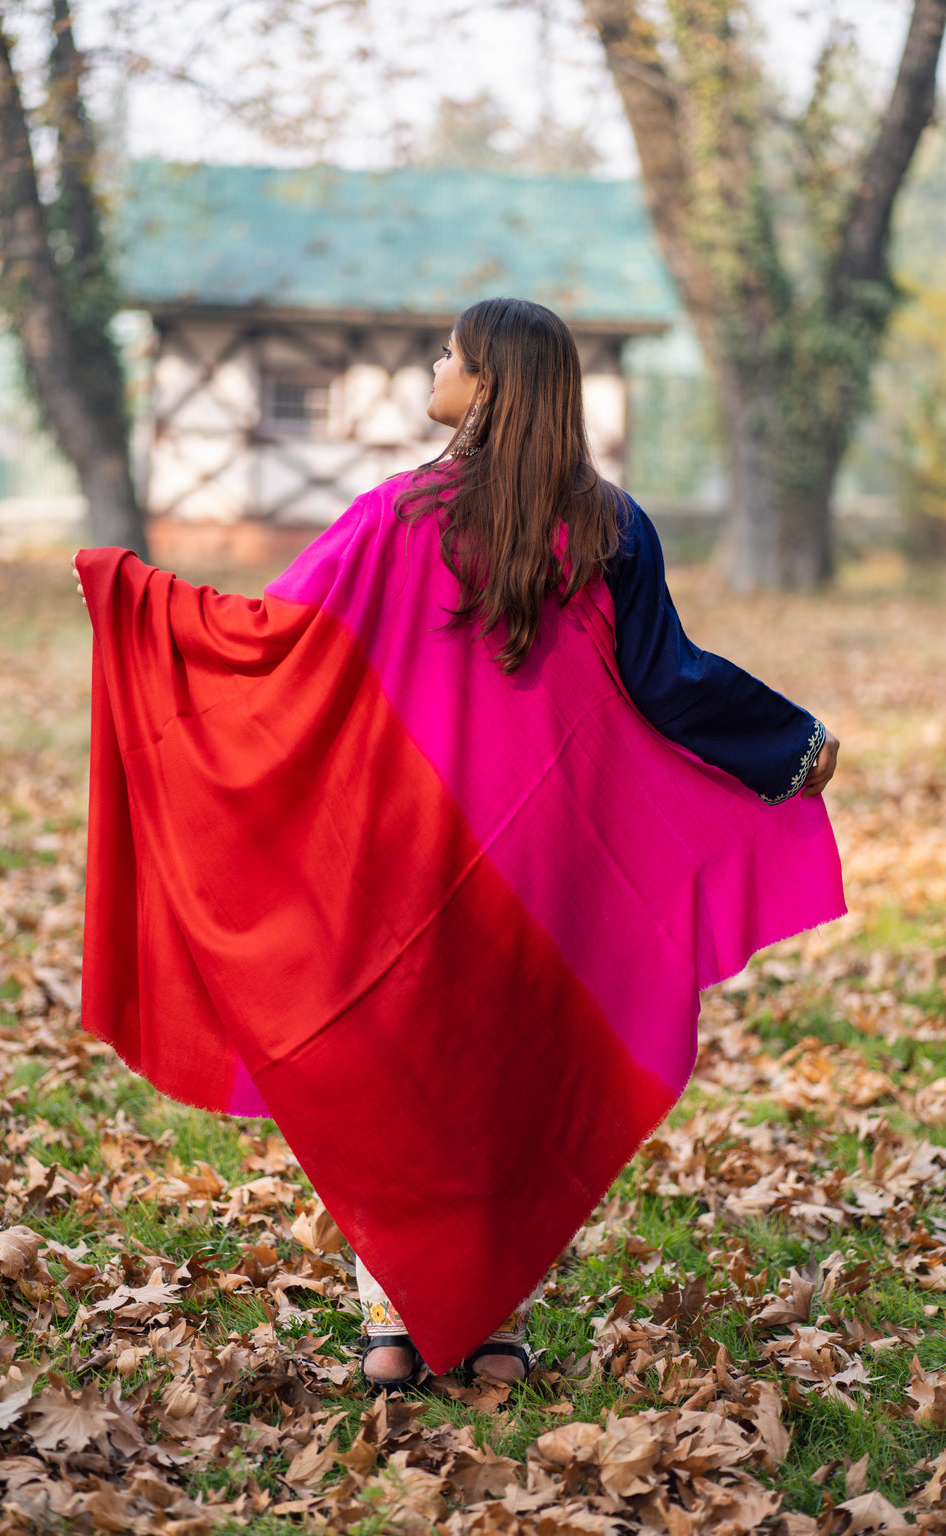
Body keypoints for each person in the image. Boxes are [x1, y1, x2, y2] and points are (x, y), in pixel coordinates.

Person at [72, 297, 843, 1396]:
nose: (434, 366)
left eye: (449, 354)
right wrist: (789, 743)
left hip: (407, 847)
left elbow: (277, 638)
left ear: (485, 385)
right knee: (501, 1080)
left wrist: (137, 600)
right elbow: (670, 683)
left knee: (410, 1076)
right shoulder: (611, 522)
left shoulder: (397, 514)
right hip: (546, 866)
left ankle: (393, 1330)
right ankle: (486, 1331)